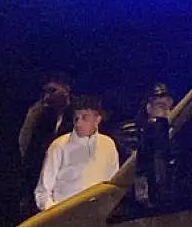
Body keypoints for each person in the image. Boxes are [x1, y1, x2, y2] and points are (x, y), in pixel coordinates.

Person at [34, 95, 120, 212]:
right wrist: (56, 215)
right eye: (76, 118)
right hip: (65, 216)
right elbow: (43, 191)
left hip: (97, 217)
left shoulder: (108, 144)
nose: (78, 123)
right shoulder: (59, 146)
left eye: (85, 118)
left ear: (97, 119)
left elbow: (112, 186)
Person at [13, 72, 74, 217]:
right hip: (41, 176)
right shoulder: (42, 114)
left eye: (53, 91)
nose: (48, 97)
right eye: (46, 92)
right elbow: (26, 144)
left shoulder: (76, 115)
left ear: (66, 89)